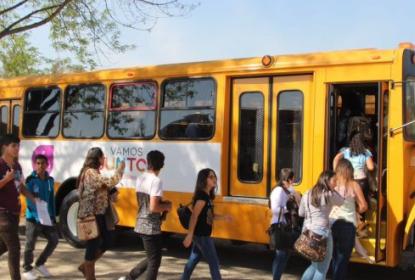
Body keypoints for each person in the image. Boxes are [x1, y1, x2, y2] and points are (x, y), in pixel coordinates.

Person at [119, 150, 172, 280]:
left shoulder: (141, 178)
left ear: (148, 162)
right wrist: (167, 206)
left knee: (151, 258)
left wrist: (162, 203)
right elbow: (153, 207)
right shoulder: (156, 181)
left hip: (141, 222)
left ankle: (129, 278)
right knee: (155, 262)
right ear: (161, 165)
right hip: (151, 226)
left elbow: (145, 202)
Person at [77, 147, 125, 280]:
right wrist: (120, 169)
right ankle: (89, 275)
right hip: (91, 216)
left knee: (108, 240)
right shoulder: (90, 173)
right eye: (102, 157)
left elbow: (105, 186)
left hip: (100, 214)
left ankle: (84, 266)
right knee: (92, 246)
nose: (104, 159)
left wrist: (111, 192)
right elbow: (109, 181)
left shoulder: (95, 173)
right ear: (97, 158)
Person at [181, 168, 231, 280]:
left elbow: (209, 216)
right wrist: (189, 235)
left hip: (202, 235)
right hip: (202, 236)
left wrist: (224, 217)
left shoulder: (208, 197)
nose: (214, 179)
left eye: (214, 176)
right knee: (214, 263)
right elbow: (194, 216)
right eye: (211, 177)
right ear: (204, 180)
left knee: (193, 260)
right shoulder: (202, 197)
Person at [0, 134, 37, 280]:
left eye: (18, 146)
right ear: (5, 147)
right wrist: (6, 179)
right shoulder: (0, 165)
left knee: (4, 246)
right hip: (2, 213)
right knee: (14, 249)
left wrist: (33, 199)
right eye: (13, 146)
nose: (17, 149)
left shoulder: (17, 166)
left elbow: (20, 186)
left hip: (15, 213)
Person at [330, 159, 371, 280]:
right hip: (347, 226)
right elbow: (364, 206)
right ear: (350, 170)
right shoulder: (354, 185)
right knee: (343, 259)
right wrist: (356, 212)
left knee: (335, 258)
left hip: (332, 224)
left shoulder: (332, 184)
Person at [299, 171, 344, 280]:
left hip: (307, 233)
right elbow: (342, 201)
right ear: (327, 181)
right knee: (322, 269)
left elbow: (301, 213)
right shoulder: (329, 194)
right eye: (334, 181)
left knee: (314, 265)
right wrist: (334, 190)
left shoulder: (307, 193)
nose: (336, 184)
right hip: (322, 234)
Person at [22, 154, 59, 280]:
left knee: (54, 240)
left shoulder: (50, 180)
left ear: (47, 165)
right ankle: (27, 268)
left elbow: (51, 199)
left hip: (47, 217)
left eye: (43, 163)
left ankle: (40, 263)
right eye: (38, 163)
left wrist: (53, 216)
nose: (40, 166)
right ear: (35, 165)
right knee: (30, 243)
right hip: (33, 218)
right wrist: (37, 216)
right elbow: (29, 200)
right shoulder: (30, 180)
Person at [269, 168, 301, 280]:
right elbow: (275, 209)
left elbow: (298, 199)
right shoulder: (278, 191)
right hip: (279, 226)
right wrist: (289, 208)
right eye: (292, 179)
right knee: (281, 256)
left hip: (286, 227)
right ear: (287, 179)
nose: (293, 181)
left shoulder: (287, 190)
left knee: (285, 255)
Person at [333, 131, 374, 215]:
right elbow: (371, 167)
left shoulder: (347, 151)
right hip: (361, 180)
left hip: (350, 179)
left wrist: (336, 171)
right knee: (362, 203)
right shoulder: (366, 152)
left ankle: (352, 215)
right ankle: (360, 219)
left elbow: (336, 158)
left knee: (351, 202)